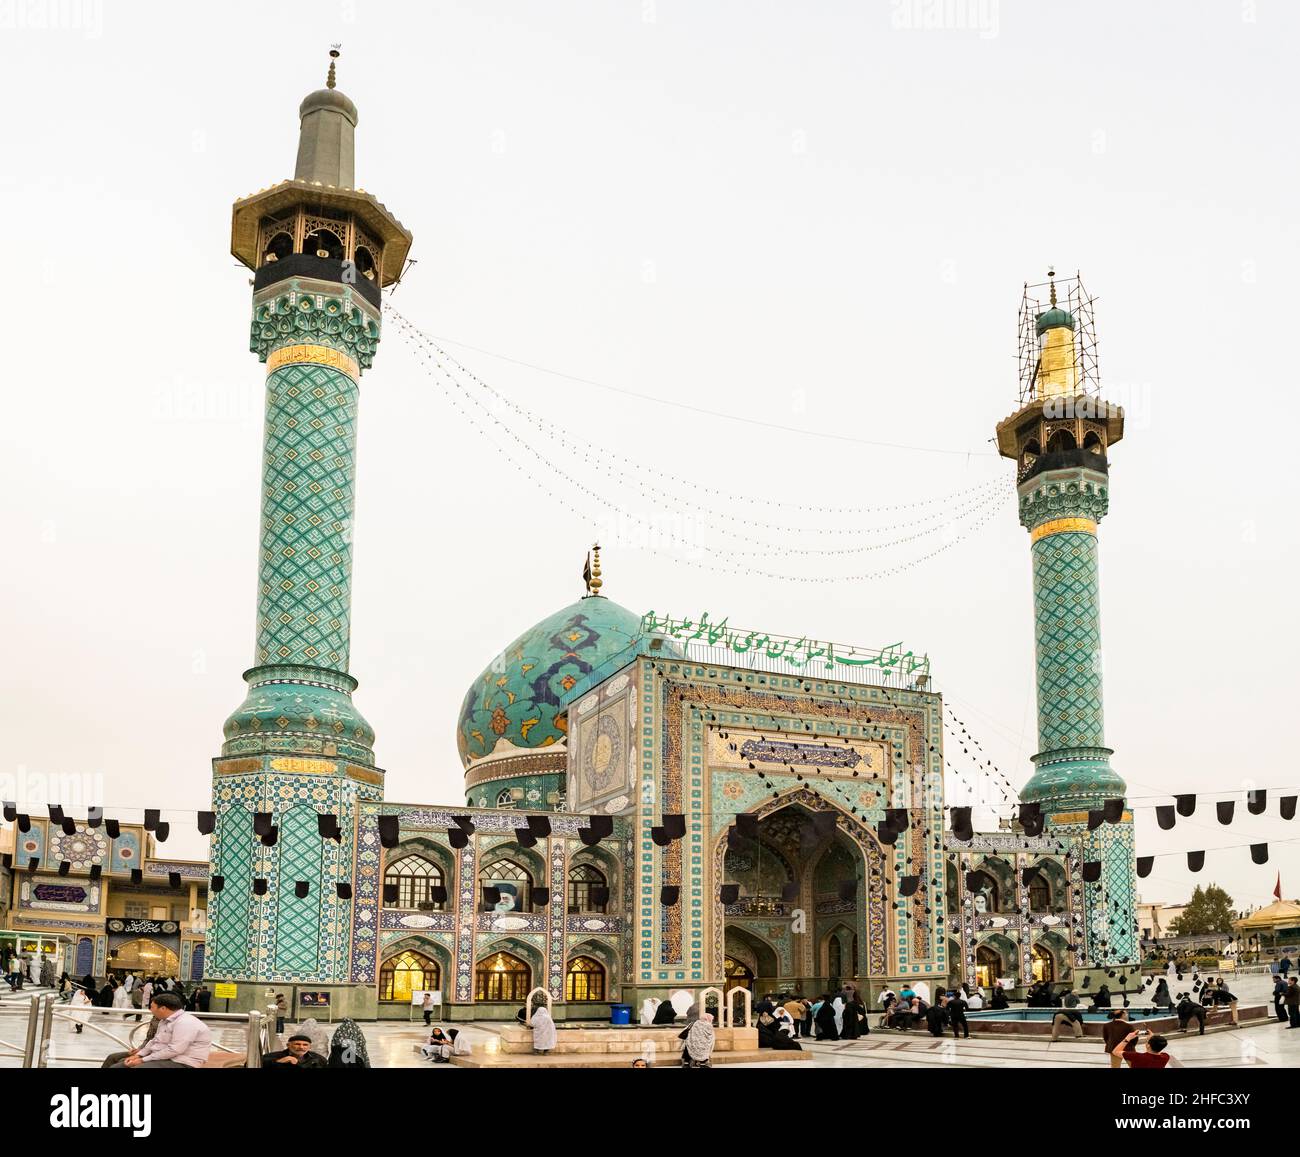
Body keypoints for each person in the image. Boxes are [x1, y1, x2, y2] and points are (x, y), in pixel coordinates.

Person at [111, 992, 211, 1068]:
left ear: (163, 1008)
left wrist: (143, 1060)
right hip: (165, 1057)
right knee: (114, 1061)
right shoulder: (164, 1021)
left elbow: (175, 1050)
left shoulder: (185, 1022)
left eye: (152, 1007)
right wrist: (139, 1055)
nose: (150, 1010)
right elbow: (154, 1041)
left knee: (137, 1067)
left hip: (182, 1062)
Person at [263, 1033, 328, 1068]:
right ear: (288, 1045)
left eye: (305, 1045)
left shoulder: (319, 1059)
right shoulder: (273, 1056)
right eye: (297, 1044)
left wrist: (297, 1064)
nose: (301, 1047)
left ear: (309, 1047)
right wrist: (278, 1062)